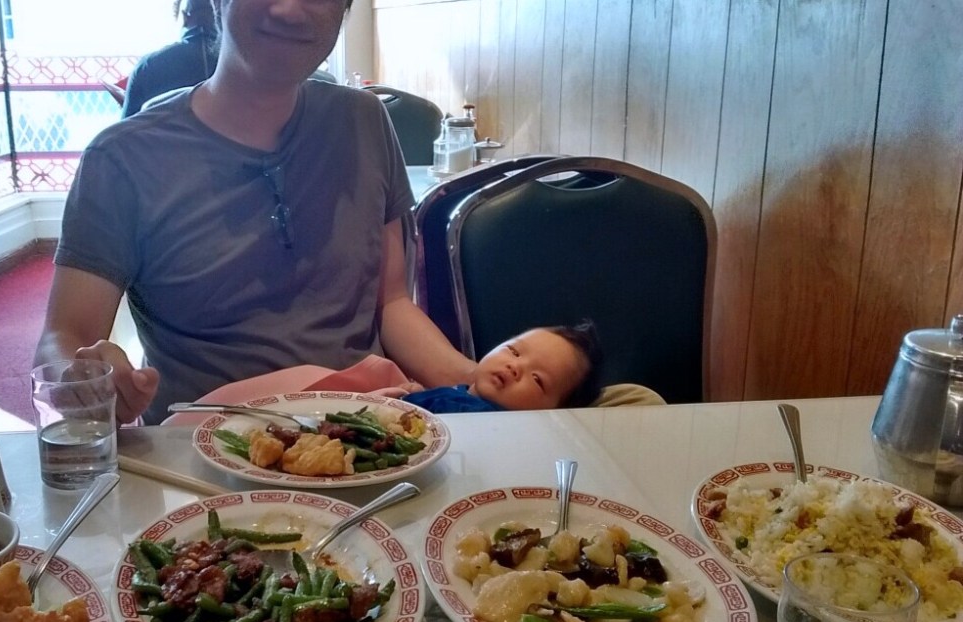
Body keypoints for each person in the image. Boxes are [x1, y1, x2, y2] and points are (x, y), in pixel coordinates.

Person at [35, 0, 474, 426]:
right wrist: (87, 378)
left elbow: (392, 304)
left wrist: (477, 383)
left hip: (363, 436)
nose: (288, 9)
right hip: (201, 455)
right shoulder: (121, 158)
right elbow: (62, 339)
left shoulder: (363, 121)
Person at [401, 322, 604, 414]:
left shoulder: (477, 416)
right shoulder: (461, 394)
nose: (514, 366)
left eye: (537, 379)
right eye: (514, 351)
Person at [121, 0, 219, 118]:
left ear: (184, 17)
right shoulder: (239, 62)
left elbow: (127, 123)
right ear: (220, 16)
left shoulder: (148, 65)